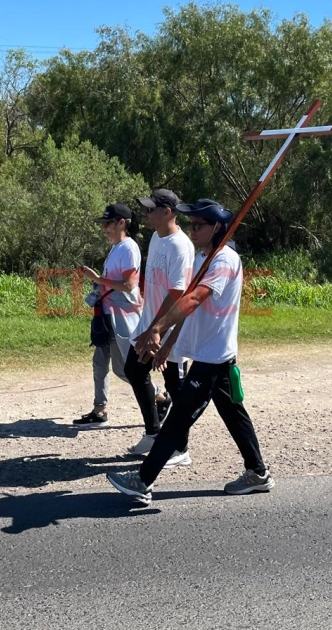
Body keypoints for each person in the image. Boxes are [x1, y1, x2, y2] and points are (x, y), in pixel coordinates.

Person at [107, 198, 274, 505]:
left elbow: (194, 299)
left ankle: (142, 481)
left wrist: (157, 329)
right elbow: (189, 309)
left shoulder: (224, 262)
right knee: (234, 415)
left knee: (178, 417)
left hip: (213, 358)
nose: (193, 230)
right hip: (212, 357)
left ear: (217, 228)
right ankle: (258, 473)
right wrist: (170, 344)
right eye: (192, 224)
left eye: (199, 225)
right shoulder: (203, 258)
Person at [123, 188, 195, 461]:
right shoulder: (156, 237)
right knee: (134, 370)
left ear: (168, 212)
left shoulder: (181, 246)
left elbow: (178, 293)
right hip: (149, 323)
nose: (145, 213)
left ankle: (181, 448)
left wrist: (158, 329)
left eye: (151, 209)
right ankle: (154, 433)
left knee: (176, 386)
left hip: (169, 326)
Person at [73, 204, 143, 427]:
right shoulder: (117, 247)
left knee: (125, 369)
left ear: (122, 222)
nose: (104, 228)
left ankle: (159, 397)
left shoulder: (128, 248)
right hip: (107, 313)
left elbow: (129, 285)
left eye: (108, 223)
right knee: (100, 362)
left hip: (122, 316)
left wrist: (98, 279)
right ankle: (99, 410)